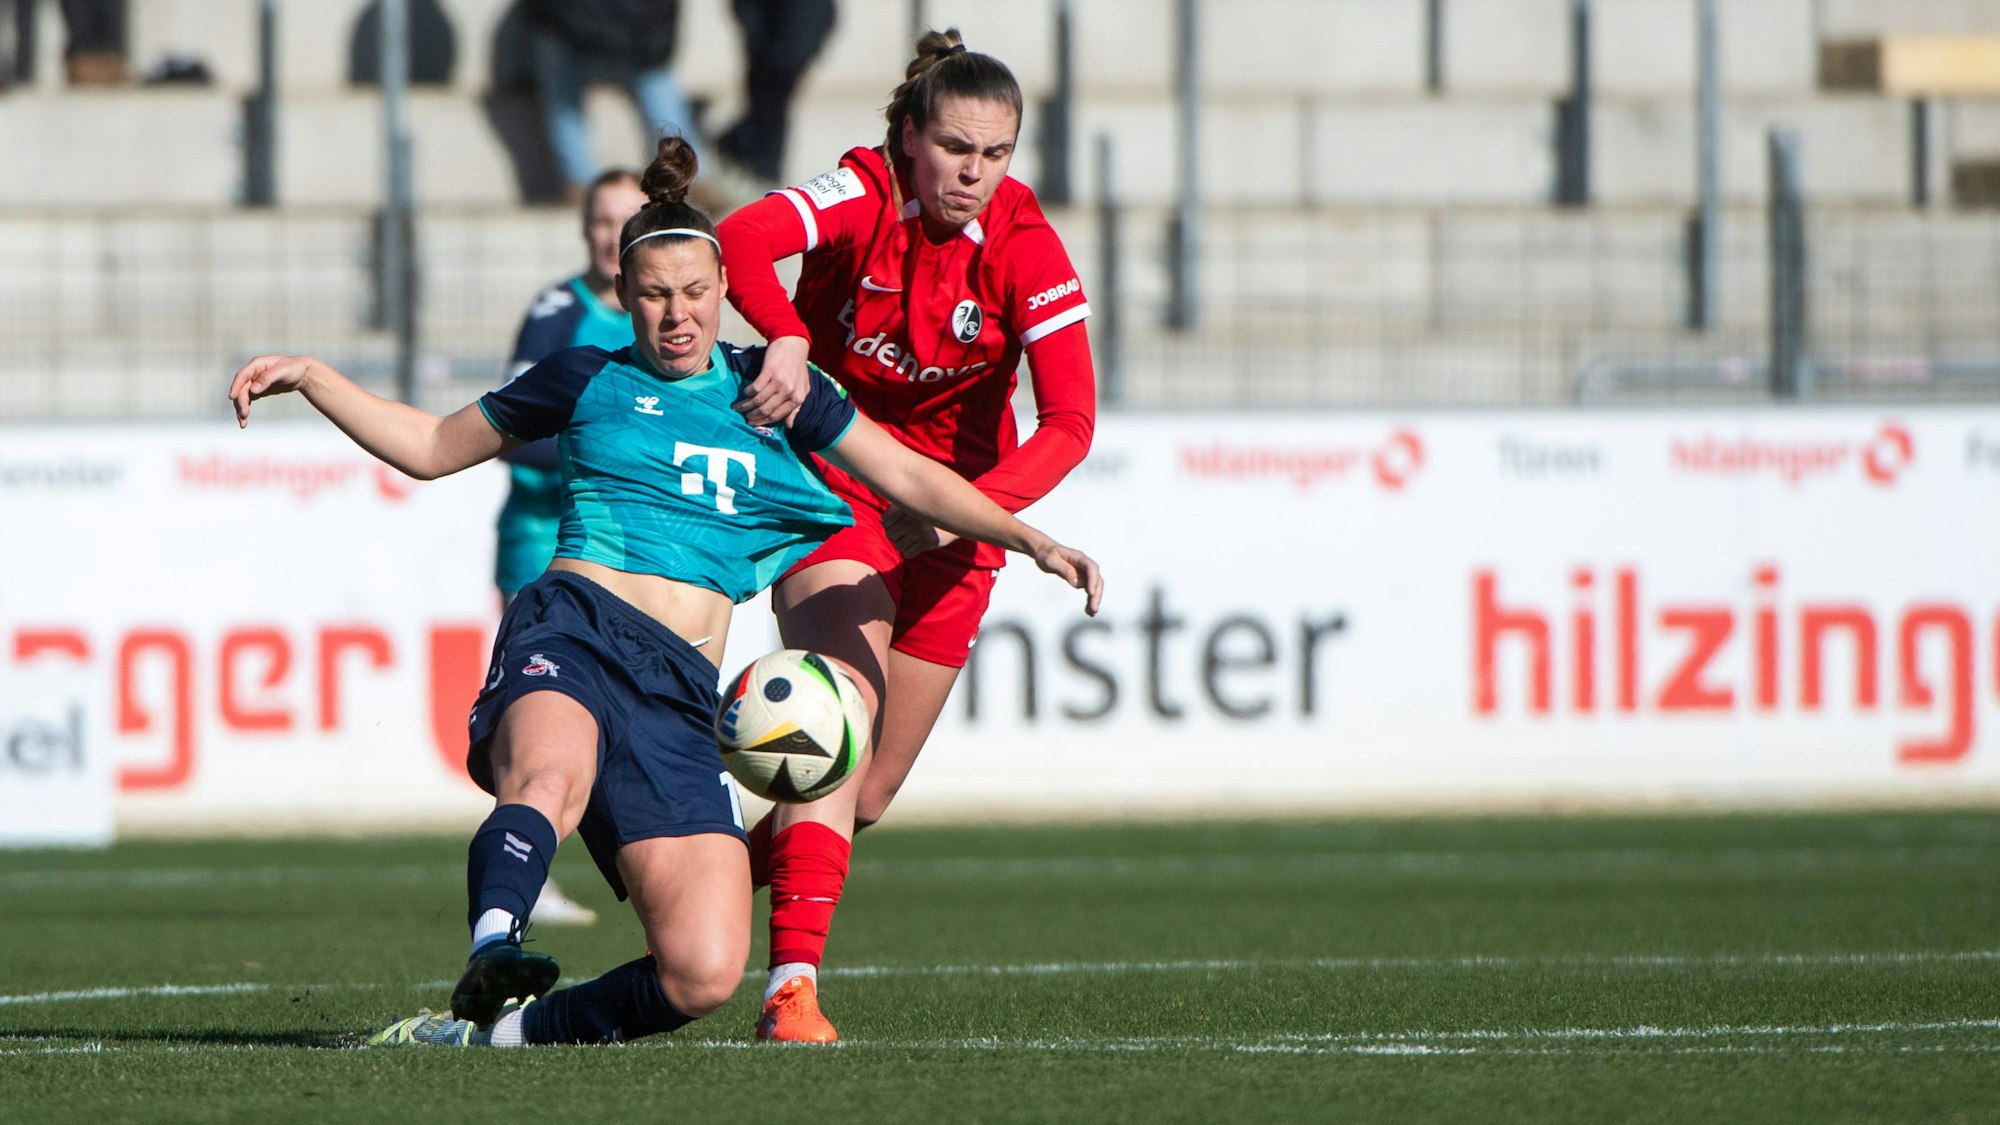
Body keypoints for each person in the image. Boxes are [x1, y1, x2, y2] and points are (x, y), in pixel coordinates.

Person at [226, 136, 1101, 1049]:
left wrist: (1030, 536)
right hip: (575, 627)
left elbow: (916, 480)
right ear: (622, 297)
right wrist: (316, 377)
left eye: (693, 293)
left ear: (724, 290)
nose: (676, 316)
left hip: (682, 689)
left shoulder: (779, 391)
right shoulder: (586, 377)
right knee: (549, 780)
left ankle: (484, 1038)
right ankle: (495, 947)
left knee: (704, 970)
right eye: (653, 296)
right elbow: (430, 448)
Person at [715, 29, 1096, 1043]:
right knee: (831, 732)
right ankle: (788, 991)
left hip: (955, 517)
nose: (973, 172)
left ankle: (691, 873)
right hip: (833, 490)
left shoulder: (1024, 243)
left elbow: (1069, 422)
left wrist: (966, 515)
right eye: (955, 147)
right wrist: (787, 334)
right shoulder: (862, 192)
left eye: (996, 153)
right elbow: (741, 240)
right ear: (910, 136)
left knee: (866, 789)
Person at [489, 167, 651, 927]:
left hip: (632, 551)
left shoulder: (668, 313)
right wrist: (615, 453)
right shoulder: (559, 312)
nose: (610, 235)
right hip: (541, 542)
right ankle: (527, 874)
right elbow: (511, 435)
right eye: (599, 220)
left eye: (626, 219)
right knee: (535, 705)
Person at [523, 0, 705, 204]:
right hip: (569, 28)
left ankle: (685, 176)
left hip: (636, 31)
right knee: (562, 93)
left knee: (657, 83)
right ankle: (579, 184)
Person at [715, 0, 838, 185]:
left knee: (776, 85)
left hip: (801, 16)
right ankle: (763, 169)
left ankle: (745, 142)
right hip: (764, 15)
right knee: (764, 89)